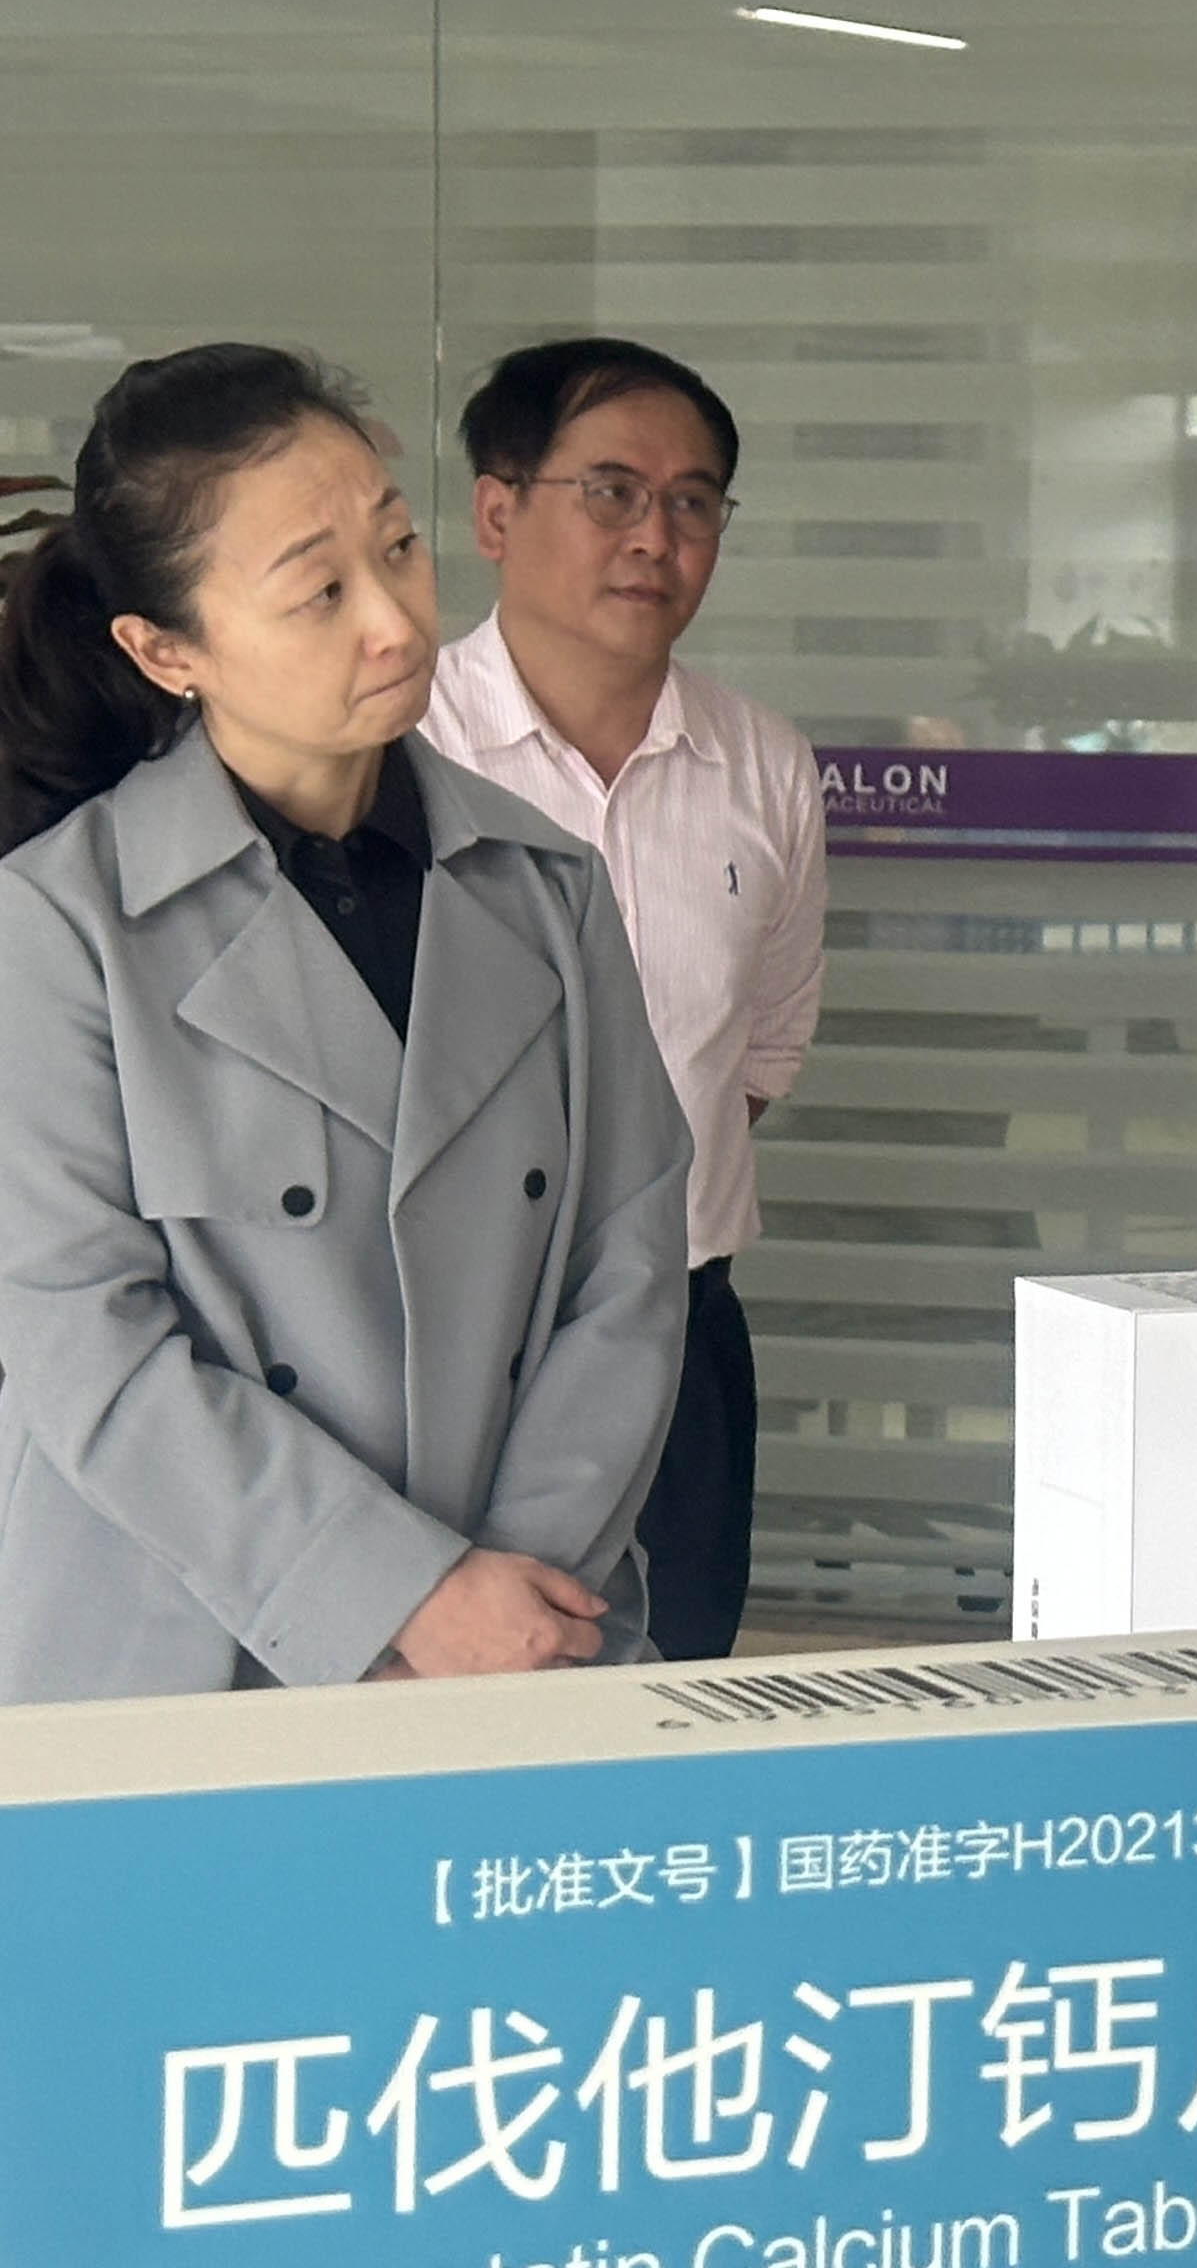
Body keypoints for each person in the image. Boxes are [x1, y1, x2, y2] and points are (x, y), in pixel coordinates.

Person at [0, 344, 692, 1700]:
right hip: (189, 1655)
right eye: (320, 591)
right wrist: (394, 1599)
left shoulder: (547, 885)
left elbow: (629, 1259)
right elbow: (84, 1337)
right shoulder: (59, 927)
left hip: (525, 1637)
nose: (394, 620)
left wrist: (506, 1602)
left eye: (398, 548)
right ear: (164, 649)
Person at [417, 337, 823, 1662]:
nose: (656, 535)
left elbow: (760, 1049)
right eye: (611, 492)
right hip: (445, 1334)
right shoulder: (395, 747)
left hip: (680, 1324)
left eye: (693, 502)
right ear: (496, 511)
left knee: (679, 1679)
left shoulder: (763, 762)